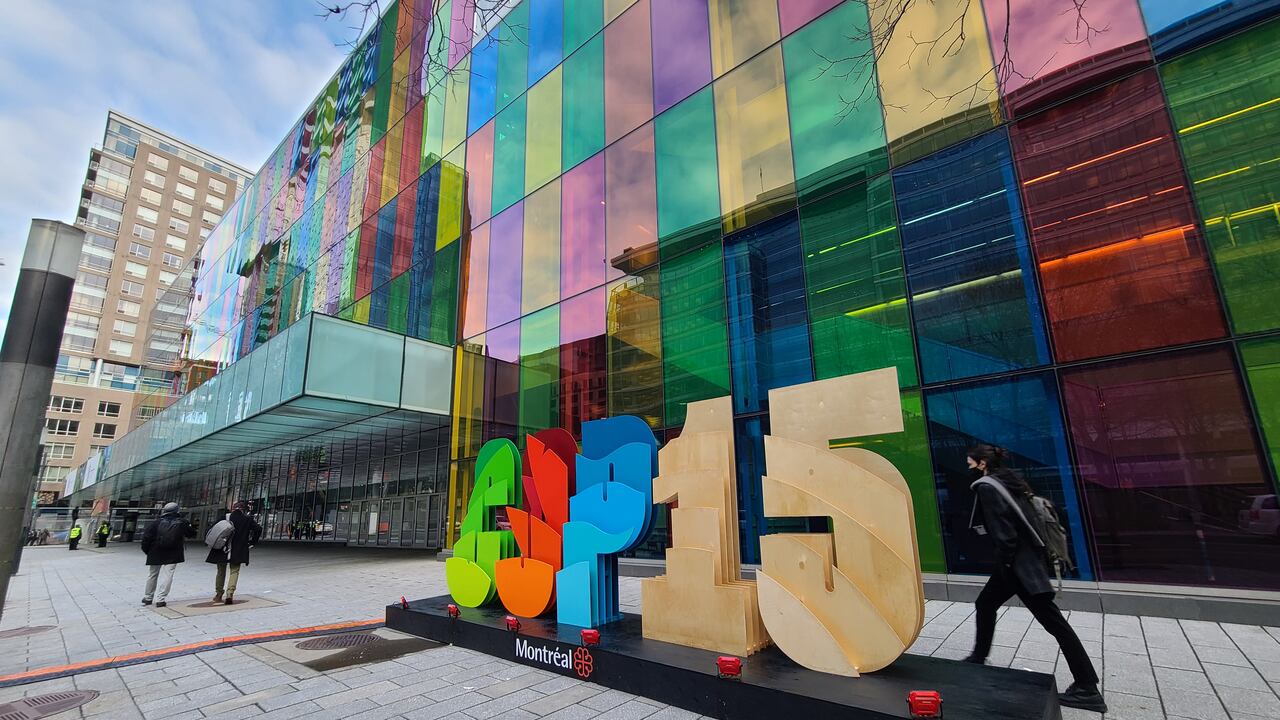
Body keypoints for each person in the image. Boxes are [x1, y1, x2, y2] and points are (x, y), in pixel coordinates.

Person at [963, 444, 1106, 714]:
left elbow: (1004, 533)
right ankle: (978, 657)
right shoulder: (1010, 481)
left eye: (970, 462)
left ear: (982, 463)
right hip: (1026, 562)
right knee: (985, 604)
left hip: (1018, 568)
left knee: (1055, 624)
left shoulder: (987, 487)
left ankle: (1088, 688)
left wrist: (1005, 563)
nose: (968, 466)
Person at [205, 501, 262, 604]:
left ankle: (218, 594)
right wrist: (252, 542)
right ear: (243, 510)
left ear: (233, 508)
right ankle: (230, 594)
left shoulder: (224, 517)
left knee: (220, 571)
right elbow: (258, 529)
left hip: (222, 549)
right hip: (238, 549)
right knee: (234, 571)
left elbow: (212, 529)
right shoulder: (247, 519)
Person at [140, 502, 194, 608]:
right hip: (173, 552)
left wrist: (147, 551)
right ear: (177, 511)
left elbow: (146, 538)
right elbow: (191, 533)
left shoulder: (156, 523)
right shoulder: (182, 522)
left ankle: (148, 597)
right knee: (168, 575)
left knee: (152, 574)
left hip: (155, 551)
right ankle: (161, 599)